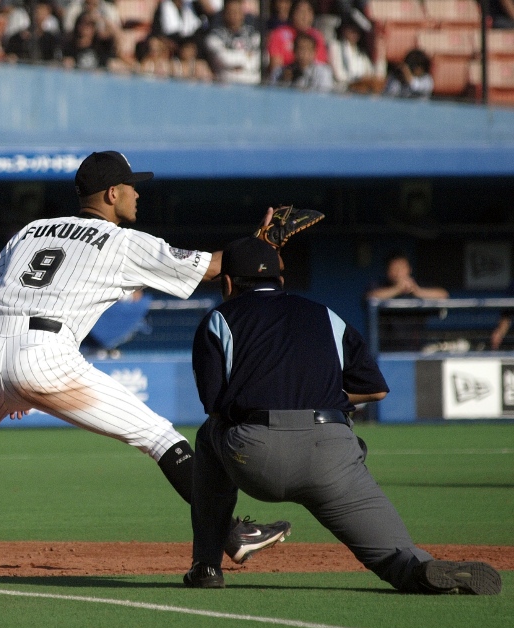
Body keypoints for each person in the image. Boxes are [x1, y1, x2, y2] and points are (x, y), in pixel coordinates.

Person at [0, 151, 291, 571]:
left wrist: (8, 378)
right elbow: (215, 267)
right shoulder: (122, 242)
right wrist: (262, 239)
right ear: (112, 193)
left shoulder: (30, 231)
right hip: (46, 353)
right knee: (158, 436)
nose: (136, 193)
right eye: (132, 186)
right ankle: (232, 534)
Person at [183, 237, 502, 595]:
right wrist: (318, 395)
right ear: (281, 280)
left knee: (209, 434)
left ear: (227, 284)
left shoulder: (218, 319)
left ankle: (207, 565)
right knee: (394, 554)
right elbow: (376, 389)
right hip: (330, 452)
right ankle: (418, 567)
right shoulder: (325, 314)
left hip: (257, 456)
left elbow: (214, 404)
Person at [365, 251, 448, 352]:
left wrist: (418, 291)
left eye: (402, 268)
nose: (399, 272)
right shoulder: (380, 285)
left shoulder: (418, 285)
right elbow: (370, 297)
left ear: (409, 269)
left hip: (416, 349)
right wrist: (397, 289)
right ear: (388, 272)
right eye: (395, 268)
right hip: (386, 349)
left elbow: (443, 295)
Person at [266, 0, 329, 78]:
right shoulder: (279, 35)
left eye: (308, 12)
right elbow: (275, 68)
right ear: (292, 13)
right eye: (301, 12)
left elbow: (321, 64)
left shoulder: (317, 36)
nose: (304, 16)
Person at [203, 0, 261, 85]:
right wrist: (247, 57)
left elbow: (261, 58)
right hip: (226, 85)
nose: (234, 16)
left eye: (237, 12)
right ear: (224, 14)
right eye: (231, 12)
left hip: (253, 85)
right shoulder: (215, 36)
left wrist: (238, 62)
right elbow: (224, 59)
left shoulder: (253, 34)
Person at [328, 12, 379, 93]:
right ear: (344, 29)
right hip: (341, 92)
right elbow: (339, 75)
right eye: (351, 30)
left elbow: (370, 74)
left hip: (361, 93)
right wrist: (358, 81)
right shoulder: (335, 46)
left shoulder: (362, 54)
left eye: (357, 31)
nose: (354, 34)